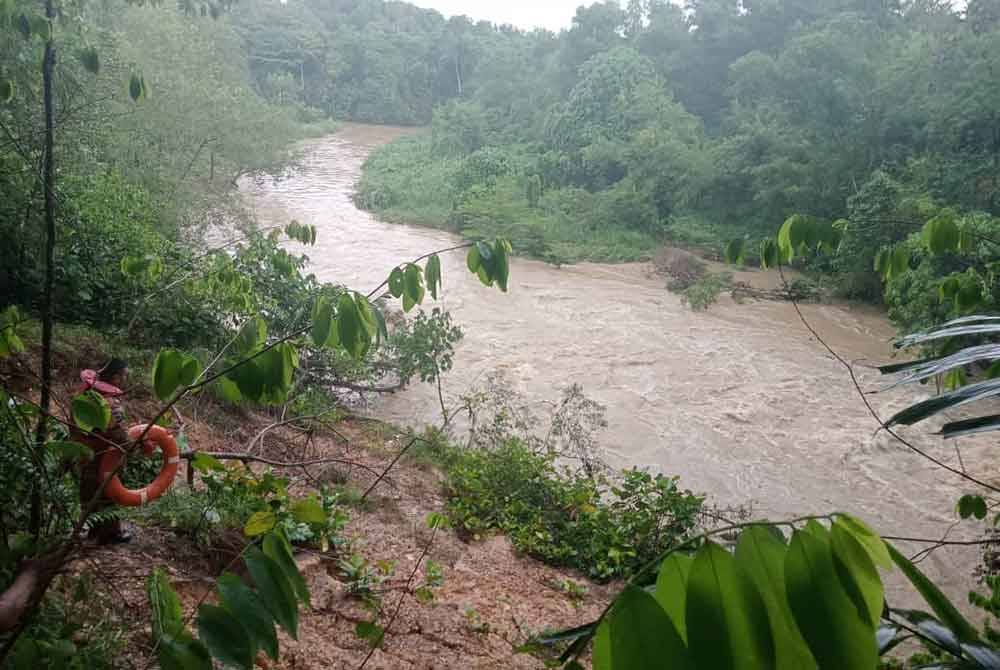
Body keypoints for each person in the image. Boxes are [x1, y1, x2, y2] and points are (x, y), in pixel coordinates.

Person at [74, 358, 136, 544]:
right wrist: (134, 448)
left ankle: (93, 531)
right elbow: (118, 433)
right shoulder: (110, 402)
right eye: (124, 376)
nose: (125, 379)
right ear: (116, 377)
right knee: (108, 493)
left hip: (84, 453)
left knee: (88, 492)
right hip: (103, 457)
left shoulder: (86, 393)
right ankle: (110, 534)